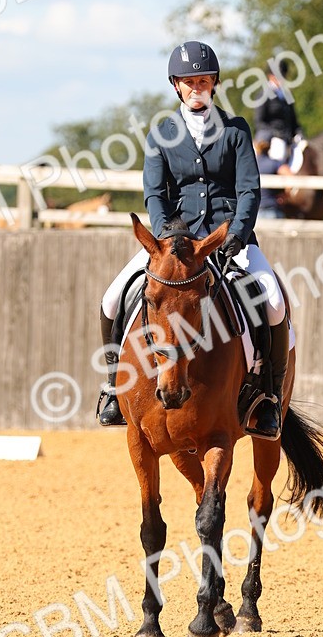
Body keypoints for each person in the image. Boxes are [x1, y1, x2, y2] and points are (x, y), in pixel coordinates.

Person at [96, 40, 289, 439]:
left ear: (214, 84)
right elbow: (154, 193)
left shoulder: (236, 131)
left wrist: (235, 235)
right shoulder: (162, 132)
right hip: (174, 246)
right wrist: (166, 239)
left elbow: (249, 190)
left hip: (227, 240)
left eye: (203, 80)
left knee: (271, 301)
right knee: (113, 298)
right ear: (176, 86)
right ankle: (114, 388)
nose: (196, 87)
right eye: (189, 82)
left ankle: (267, 398)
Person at [252, 58, 302, 164]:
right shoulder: (263, 94)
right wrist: (276, 134)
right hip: (271, 139)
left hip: (288, 138)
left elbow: (293, 120)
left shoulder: (287, 95)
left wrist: (299, 133)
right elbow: (259, 121)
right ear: (270, 76)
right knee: (279, 152)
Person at [253, 128, 286, 220]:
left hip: (254, 213)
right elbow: (291, 178)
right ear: (270, 145)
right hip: (273, 210)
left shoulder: (249, 163)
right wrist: (284, 197)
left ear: (255, 144)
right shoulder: (274, 164)